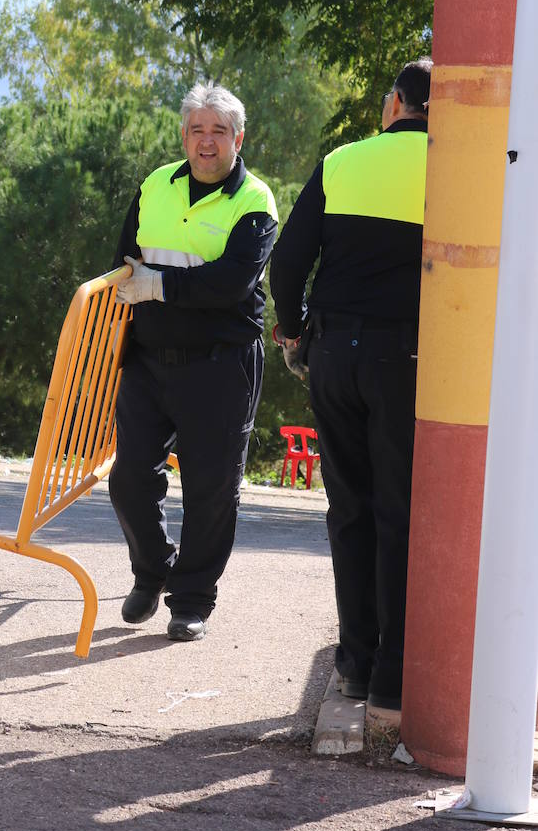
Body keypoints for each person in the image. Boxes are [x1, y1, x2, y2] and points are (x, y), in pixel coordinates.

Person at [269, 58, 431, 711]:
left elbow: (288, 261)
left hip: (334, 353)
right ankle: (395, 674)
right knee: (400, 513)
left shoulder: (342, 162)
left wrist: (293, 331)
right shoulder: (461, 171)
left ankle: (357, 664)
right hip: (410, 359)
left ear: (395, 103)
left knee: (350, 511)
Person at [109, 81, 278, 641]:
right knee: (129, 479)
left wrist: (159, 287)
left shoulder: (255, 201)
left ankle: (191, 599)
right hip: (148, 360)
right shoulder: (155, 184)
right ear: (183, 135)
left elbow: (232, 283)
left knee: (210, 489)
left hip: (220, 365)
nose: (207, 142)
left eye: (219, 131)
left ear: (239, 138)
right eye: (197, 130)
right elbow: (123, 260)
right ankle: (152, 569)